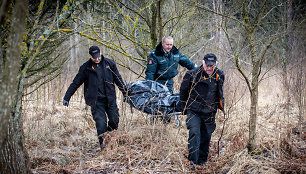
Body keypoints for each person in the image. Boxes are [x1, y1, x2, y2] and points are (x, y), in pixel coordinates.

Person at [63, 46, 127, 149]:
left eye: (98, 56)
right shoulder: (85, 68)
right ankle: (103, 145)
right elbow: (75, 83)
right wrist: (67, 97)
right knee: (101, 124)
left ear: (101, 52)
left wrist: (125, 93)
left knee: (114, 120)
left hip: (110, 98)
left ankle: (110, 139)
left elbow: (118, 78)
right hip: (96, 101)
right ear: (90, 56)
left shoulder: (109, 64)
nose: (97, 59)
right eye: (94, 57)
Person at [178, 53, 225, 167]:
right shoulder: (191, 74)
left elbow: (219, 92)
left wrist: (221, 106)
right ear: (202, 63)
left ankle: (202, 160)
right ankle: (193, 161)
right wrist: (183, 108)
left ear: (216, 65)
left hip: (210, 111)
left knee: (206, 135)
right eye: (207, 65)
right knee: (194, 133)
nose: (209, 68)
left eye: (212, 66)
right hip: (194, 110)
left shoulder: (220, 74)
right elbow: (183, 92)